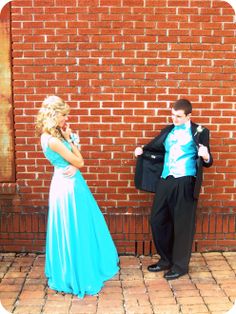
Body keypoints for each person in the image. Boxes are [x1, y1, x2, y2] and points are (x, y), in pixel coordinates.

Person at [36, 95, 119, 298]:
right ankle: (78, 273)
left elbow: (76, 161)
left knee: (79, 226)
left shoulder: (51, 136)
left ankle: (79, 265)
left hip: (64, 182)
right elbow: (80, 161)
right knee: (75, 227)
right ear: (54, 115)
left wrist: (70, 146)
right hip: (69, 187)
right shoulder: (54, 140)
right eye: (64, 115)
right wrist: (71, 140)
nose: (66, 119)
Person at [134, 99, 213, 280]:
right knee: (157, 220)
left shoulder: (200, 132)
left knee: (182, 225)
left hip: (185, 181)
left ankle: (180, 265)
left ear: (188, 116)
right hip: (165, 180)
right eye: (172, 115)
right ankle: (166, 259)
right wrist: (142, 151)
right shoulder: (168, 131)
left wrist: (206, 156)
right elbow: (157, 149)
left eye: (178, 116)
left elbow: (208, 161)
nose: (174, 119)